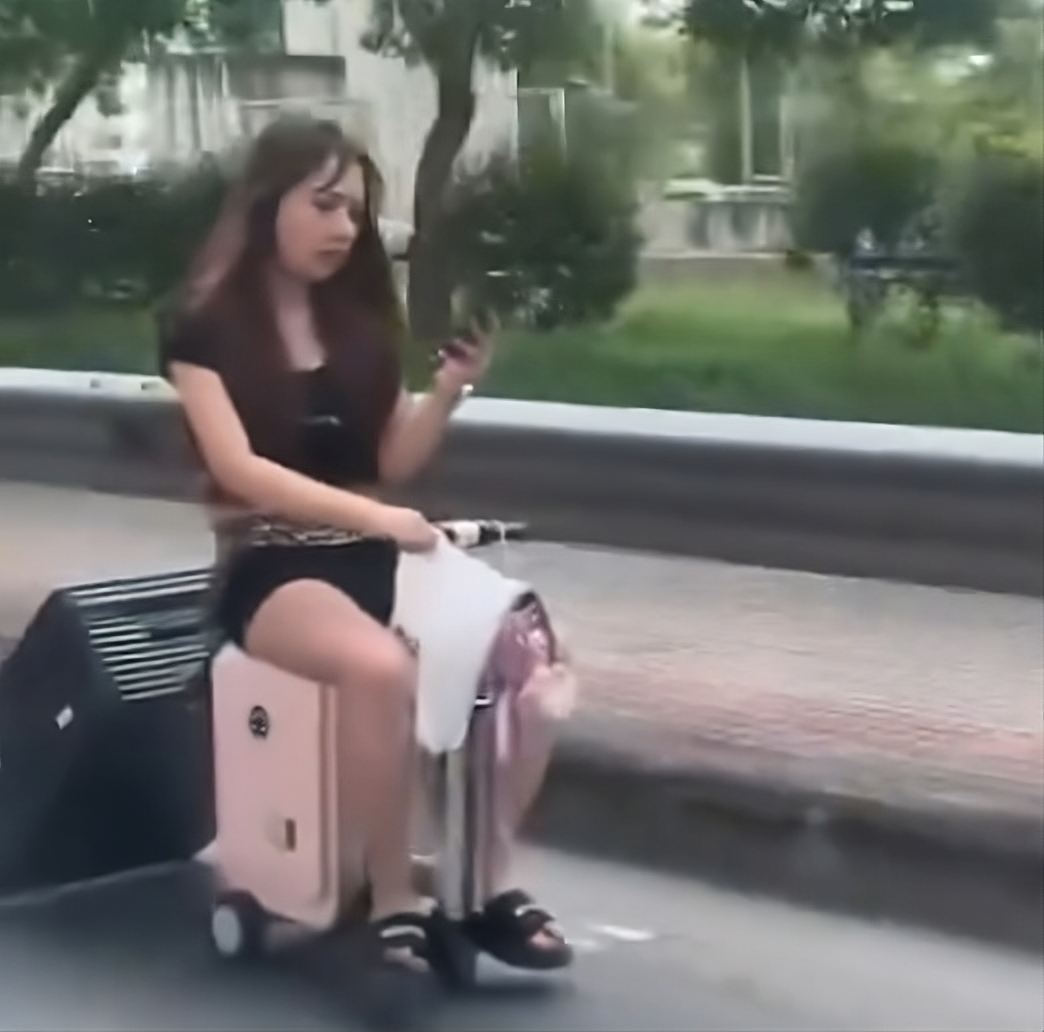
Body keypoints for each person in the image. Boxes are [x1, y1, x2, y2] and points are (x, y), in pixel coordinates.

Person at [159, 115, 572, 980]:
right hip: (274, 565)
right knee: (378, 668)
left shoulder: (357, 328)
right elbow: (239, 470)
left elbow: (390, 462)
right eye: (326, 205)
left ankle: (476, 883)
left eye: (356, 211)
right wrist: (374, 518)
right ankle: (391, 903)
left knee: (521, 655)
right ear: (270, 204)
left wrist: (449, 393)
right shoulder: (201, 327)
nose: (345, 228)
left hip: (375, 554)